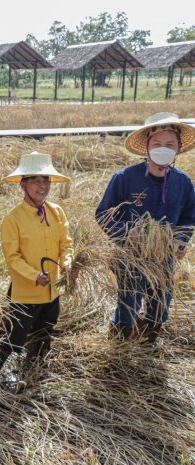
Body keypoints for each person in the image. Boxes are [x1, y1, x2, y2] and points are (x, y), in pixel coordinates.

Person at [96, 113, 195, 343]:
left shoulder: (183, 183)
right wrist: (130, 235)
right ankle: (121, 343)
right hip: (130, 257)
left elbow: (189, 216)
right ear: (147, 147)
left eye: (170, 144)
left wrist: (181, 241)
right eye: (157, 143)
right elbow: (103, 214)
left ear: (179, 148)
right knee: (128, 302)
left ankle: (147, 341)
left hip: (164, 258)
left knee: (161, 302)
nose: (163, 149)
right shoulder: (124, 179)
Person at [0, 152, 75, 385]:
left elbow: (66, 243)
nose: (42, 186)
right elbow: (12, 258)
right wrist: (35, 276)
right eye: (35, 180)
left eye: (46, 180)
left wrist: (66, 264)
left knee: (44, 335)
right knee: (13, 338)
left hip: (52, 291)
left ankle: (33, 374)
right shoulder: (13, 219)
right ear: (23, 184)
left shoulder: (57, 212)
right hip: (25, 294)